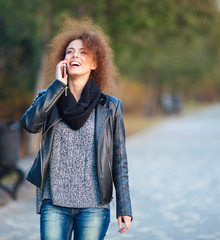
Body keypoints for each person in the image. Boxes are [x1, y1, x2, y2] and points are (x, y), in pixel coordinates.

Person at [21, 18, 132, 240]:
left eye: (83, 53)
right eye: (70, 52)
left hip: (94, 205)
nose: (75, 56)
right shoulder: (48, 97)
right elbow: (29, 125)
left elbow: (119, 160)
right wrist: (57, 87)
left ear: (95, 63)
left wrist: (124, 207)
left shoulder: (110, 106)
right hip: (54, 203)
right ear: (62, 61)